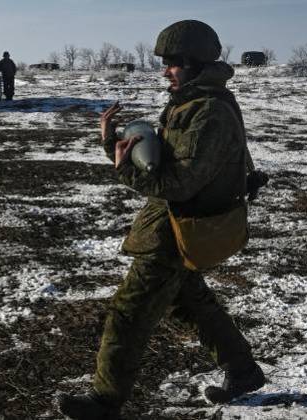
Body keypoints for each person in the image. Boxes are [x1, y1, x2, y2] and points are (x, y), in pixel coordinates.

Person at [57, 20, 267, 419]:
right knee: (191, 301)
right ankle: (242, 371)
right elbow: (164, 165)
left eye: (172, 62)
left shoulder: (207, 112)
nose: (165, 70)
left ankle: (105, 402)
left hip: (178, 229)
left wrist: (126, 170)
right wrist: (113, 143)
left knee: (129, 313)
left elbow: (178, 184)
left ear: (193, 63)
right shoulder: (192, 102)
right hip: (175, 225)